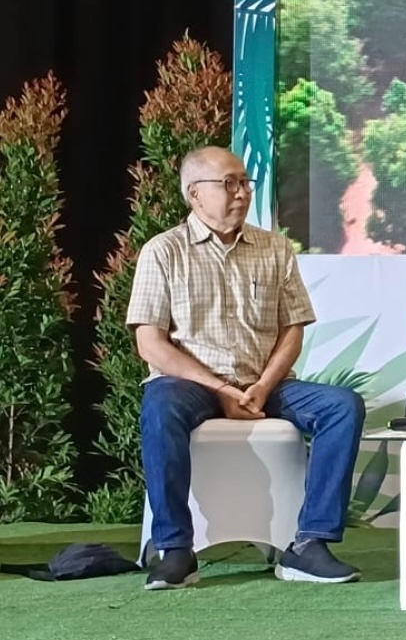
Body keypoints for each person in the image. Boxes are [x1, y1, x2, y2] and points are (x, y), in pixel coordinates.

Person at [128, 146, 365, 590]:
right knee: (159, 405)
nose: (241, 193)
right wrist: (218, 387)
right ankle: (176, 549)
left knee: (342, 406)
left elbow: (292, 331)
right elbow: (151, 344)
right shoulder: (162, 252)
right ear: (195, 194)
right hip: (191, 384)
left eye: (245, 183)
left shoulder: (274, 248)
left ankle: (310, 544)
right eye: (229, 183)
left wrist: (261, 386)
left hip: (265, 384)